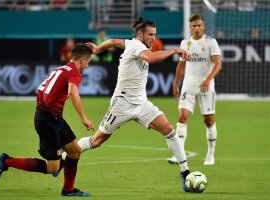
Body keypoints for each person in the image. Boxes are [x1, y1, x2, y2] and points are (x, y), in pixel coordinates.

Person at [69, 16, 193, 192]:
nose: (153, 38)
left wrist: (98, 48)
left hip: (141, 103)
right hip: (122, 104)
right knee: (96, 141)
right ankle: (66, 154)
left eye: (155, 35)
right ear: (141, 34)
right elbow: (150, 59)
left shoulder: (130, 43)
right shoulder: (137, 46)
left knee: (168, 130)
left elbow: (113, 41)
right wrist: (175, 51)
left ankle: (185, 172)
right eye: (150, 35)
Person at [0, 43, 95, 197]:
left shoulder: (62, 69)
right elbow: (73, 93)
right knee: (53, 168)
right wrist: (84, 118)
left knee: (75, 152)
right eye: (88, 62)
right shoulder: (74, 73)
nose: (87, 66)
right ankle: (7, 161)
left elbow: (43, 90)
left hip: (53, 117)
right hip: (48, 121)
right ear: (82, 60)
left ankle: (68, 189)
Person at [167, 14, 222, 165]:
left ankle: (210, 155)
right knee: (182, 117)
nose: (196, 28)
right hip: (188, 86)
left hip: (206, 87)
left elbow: (218, 64)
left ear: (203, 26)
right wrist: (175, 84)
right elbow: (181, 66)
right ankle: (179, 155)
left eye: (199, 25)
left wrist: (208, 79)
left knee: (209, 120)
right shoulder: (185, 43)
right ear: (190, 27)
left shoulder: (211, 42)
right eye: (193, 26)